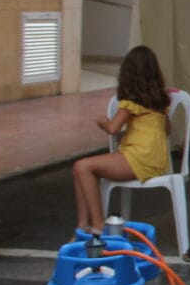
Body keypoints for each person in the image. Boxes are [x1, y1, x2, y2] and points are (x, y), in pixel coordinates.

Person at [72, 45, 172, 235]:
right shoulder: (161, 102)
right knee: (81, 168)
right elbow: (167, 130)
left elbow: (113, 128)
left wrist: (102, 122)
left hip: (138, 158)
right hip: (157, 160)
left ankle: (96, 224)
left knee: (82, 167)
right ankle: (83, 224)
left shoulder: (130, 102)